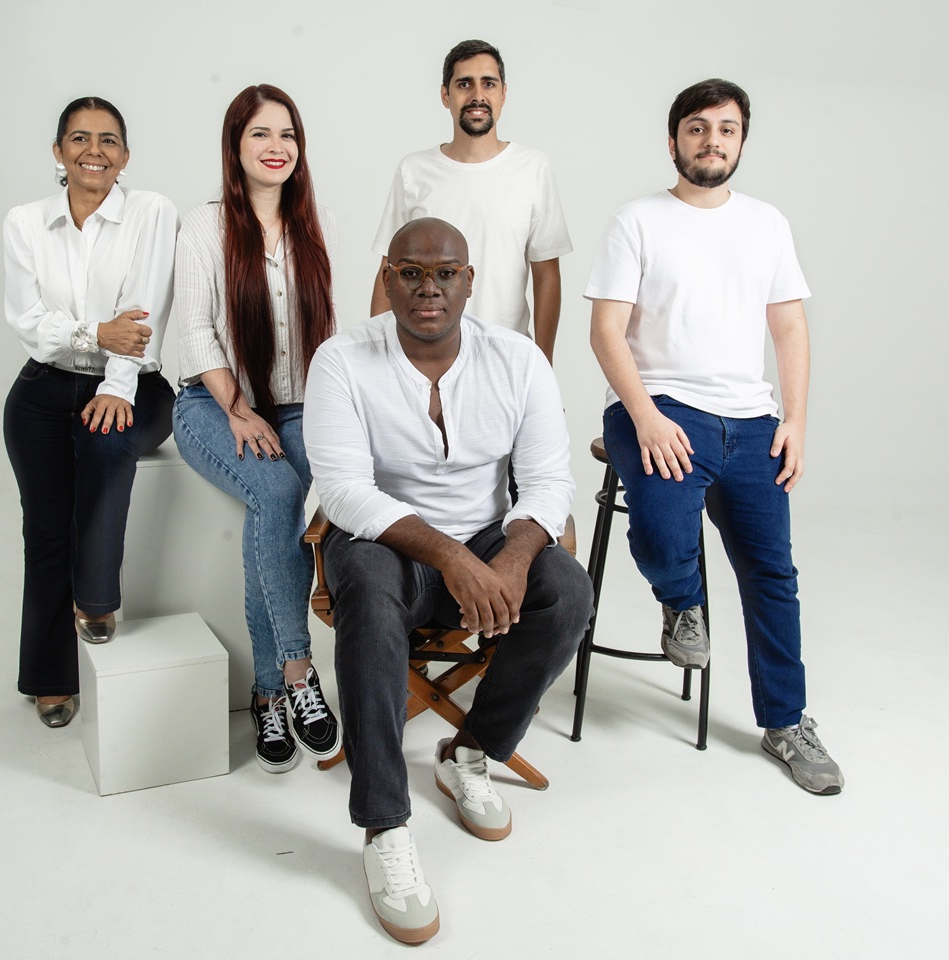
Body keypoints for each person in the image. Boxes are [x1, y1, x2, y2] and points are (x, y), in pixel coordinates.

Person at [305, 218, 593, 944]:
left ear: (469, 280)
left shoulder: (518, 359)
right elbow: (345, 492)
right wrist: (453, 561)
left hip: (489, 536)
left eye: (444, 274)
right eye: (410, 272)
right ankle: (385, 827)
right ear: (388, 277)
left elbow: (547, 482)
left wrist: (509, 561)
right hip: (389, 541)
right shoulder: (341, 360)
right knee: (368, 594)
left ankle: (471, 753)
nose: (427, 288)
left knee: (568, 592)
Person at [586, 78, 844, 795]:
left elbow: (788, 326)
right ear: (673, 141)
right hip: (660, 404)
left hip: (751, 418)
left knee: (772, 573)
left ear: (741, 142)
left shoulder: (766, 223)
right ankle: (682, 601)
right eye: (697, 128)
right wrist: (645, 415)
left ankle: (786, 724)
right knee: (663, 536)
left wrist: (795, 419)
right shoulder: (637, 220)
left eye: (727, 129)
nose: (712, 140)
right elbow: (605, 330)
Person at [171, 84, 341, 773]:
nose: (277, 147)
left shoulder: (310, 226)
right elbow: (195, 330)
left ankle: (266, 693)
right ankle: (299, 670)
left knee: (274, 516)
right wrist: (238, 408)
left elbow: (323, 335)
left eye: (288, 134)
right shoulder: (204, 225)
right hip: (210, 404)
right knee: (276, 493)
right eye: (260, 134)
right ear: (235, 146)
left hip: (297, 406)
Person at [2, 96, 178, 728]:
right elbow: (27, 321)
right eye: (79, 138)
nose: (93, 151)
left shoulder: (151, 212)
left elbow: (141, 314)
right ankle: (50, 677)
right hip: (43, 389)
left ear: (125, 156)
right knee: (45, 530)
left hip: (137, 385)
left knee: (106, 442)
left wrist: (116, 384)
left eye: (108, 140)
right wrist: (96, 333)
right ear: (58, 151)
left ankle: (97, 597)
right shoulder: (25, 223)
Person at [369, 39, 571, 362]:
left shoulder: (533, 168)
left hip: (507, 357)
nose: (477, 95)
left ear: (503, 93)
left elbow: (546, 276)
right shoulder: (413, 171)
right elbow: (389, 271)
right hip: (423, 358)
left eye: (488, 83)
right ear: (445, 95)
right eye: (464, 84)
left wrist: (542, 364)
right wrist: (382, 362)